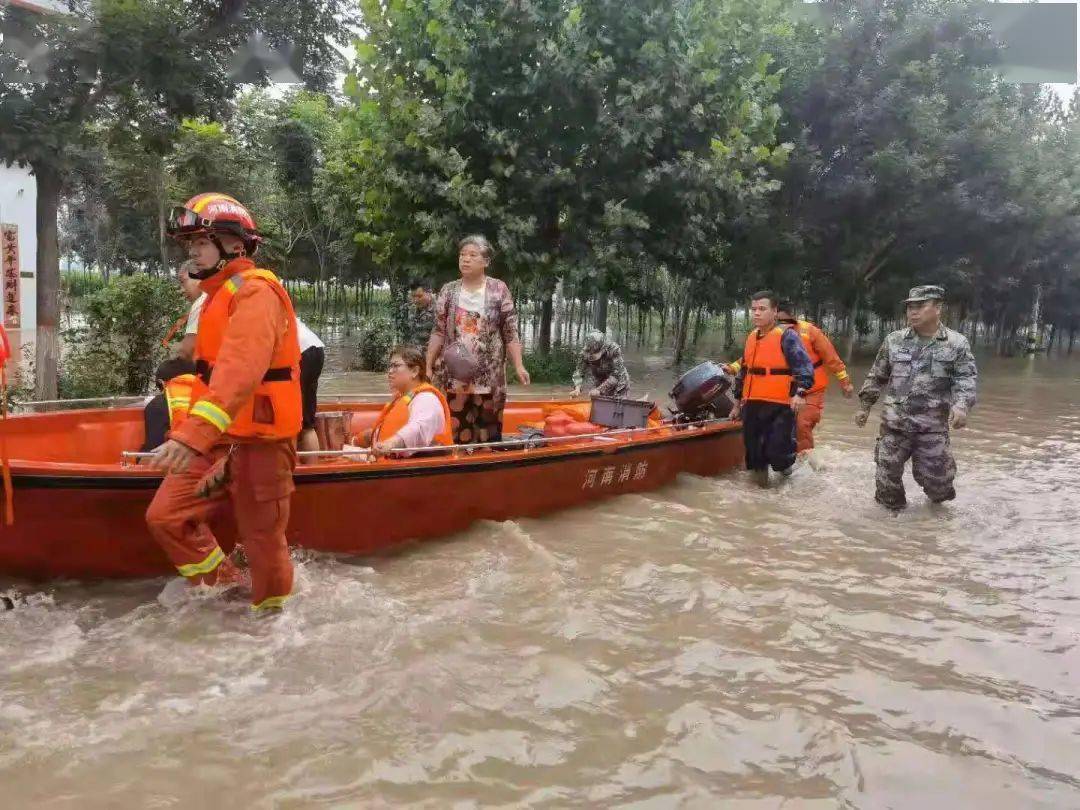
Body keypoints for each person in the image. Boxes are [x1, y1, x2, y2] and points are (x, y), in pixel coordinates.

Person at [146, 192, 302, 611]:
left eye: (201, 241)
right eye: (190, 243)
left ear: (233, 244)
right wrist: (186, 434)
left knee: (263, 542)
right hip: (220, 438)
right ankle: (225, 589)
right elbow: (209, 382)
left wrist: (191, 436)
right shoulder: (215, 297)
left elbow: (239, 374)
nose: (192, 250)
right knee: (165, 516)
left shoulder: (255, 293)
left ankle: (270, 624)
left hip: (260, 440)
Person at [856, 285, 977, 510]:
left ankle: (932, 524)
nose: (913, 311)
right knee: (886, 485)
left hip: (931, 428)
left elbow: (966, 379)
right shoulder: (894, 340)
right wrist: (865, 406)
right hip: (894, 425)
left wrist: (961, 406)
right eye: (910, 307)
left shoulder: (956, 343)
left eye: (920, 306)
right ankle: (894, 532)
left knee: (939, 487)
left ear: (938, 307)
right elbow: (877, 375)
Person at [426, 235, 530, 444]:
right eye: (462, 255)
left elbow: (510, 332)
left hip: (488, 376)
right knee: (457, 431)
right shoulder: (448, 290)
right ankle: (460, 468)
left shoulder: (498, 289)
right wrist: (428, 364)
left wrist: (519, 366)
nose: (465, 259)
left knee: (489, 434)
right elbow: (438, 331)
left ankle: (489, 469)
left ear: (486, 261)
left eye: (473, 255)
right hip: (455, 376)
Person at [728, 290, 815, 486]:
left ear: (775, 311)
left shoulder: (787, 336)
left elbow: (805, 367)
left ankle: (789, 475)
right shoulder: (751, 338)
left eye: (762, 309)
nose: (756, 313)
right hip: (752, 404)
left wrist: (800, 393)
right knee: (754, 454)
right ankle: (759, 496)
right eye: (754, 309)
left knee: (777, 453)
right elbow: (744, 372)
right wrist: (736, 404)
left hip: (780, 406)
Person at [750, 302, 854, 458]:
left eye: (785, 321)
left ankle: (806, 465)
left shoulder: (810, 331)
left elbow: (831, 358)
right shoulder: (765, 334)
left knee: (802, 425)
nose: (782, 325)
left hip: (810, 389)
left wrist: (845, 383)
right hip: (781, 391)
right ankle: (783, 462)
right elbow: (750, 359)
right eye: (779, 322)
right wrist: (732, 368)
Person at [357, 346, 453, 456]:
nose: (389, 371)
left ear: (414, 371)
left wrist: (391, 444)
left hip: (412, 465)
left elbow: (418, 429)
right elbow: (390, 428)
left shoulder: (426, 399)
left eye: (396, 366)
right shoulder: (405, 397)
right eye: (390, 366)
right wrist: (356, 441)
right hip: (388, 460)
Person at [140, 357, 197, 453]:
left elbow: (153, 453)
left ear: (161, 383)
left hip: (185, 464)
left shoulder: (158, 404)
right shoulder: (215, 396)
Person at [295, 317, 325, 460]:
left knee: (295, 418)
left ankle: (303, 470)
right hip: (315, 347)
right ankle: (312, 468)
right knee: (307, 420)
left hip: (300, 351)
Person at [571, 329, 631, 398]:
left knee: (618, 405)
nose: (592, 356)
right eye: (590, 354)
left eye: (594, 354)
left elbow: (616, 375)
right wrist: (577, 388)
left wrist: (599, 390)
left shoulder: (613, 350)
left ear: (603, 349)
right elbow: (579, 371)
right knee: (601, 405)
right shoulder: (584, 353)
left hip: (619, 381)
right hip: (600, 380)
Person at [402, 278, 437, 350]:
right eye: (413, 296)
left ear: (429, 292)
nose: (416, 300)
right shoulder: (412, 309)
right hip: (414, 355)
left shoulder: (440, 310)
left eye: (419, 296)